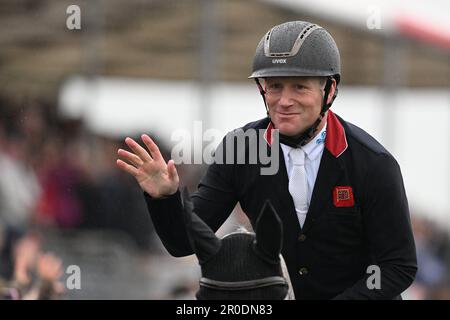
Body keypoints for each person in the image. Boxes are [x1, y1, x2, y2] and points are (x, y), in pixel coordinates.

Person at [116, 21, 417, 299]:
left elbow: (398, 266)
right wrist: (164, 200)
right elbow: (184, 243)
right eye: (275, 86)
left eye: (299, 87)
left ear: (330, 89)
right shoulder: (239, 150)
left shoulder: (373, 163)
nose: (284, 100)